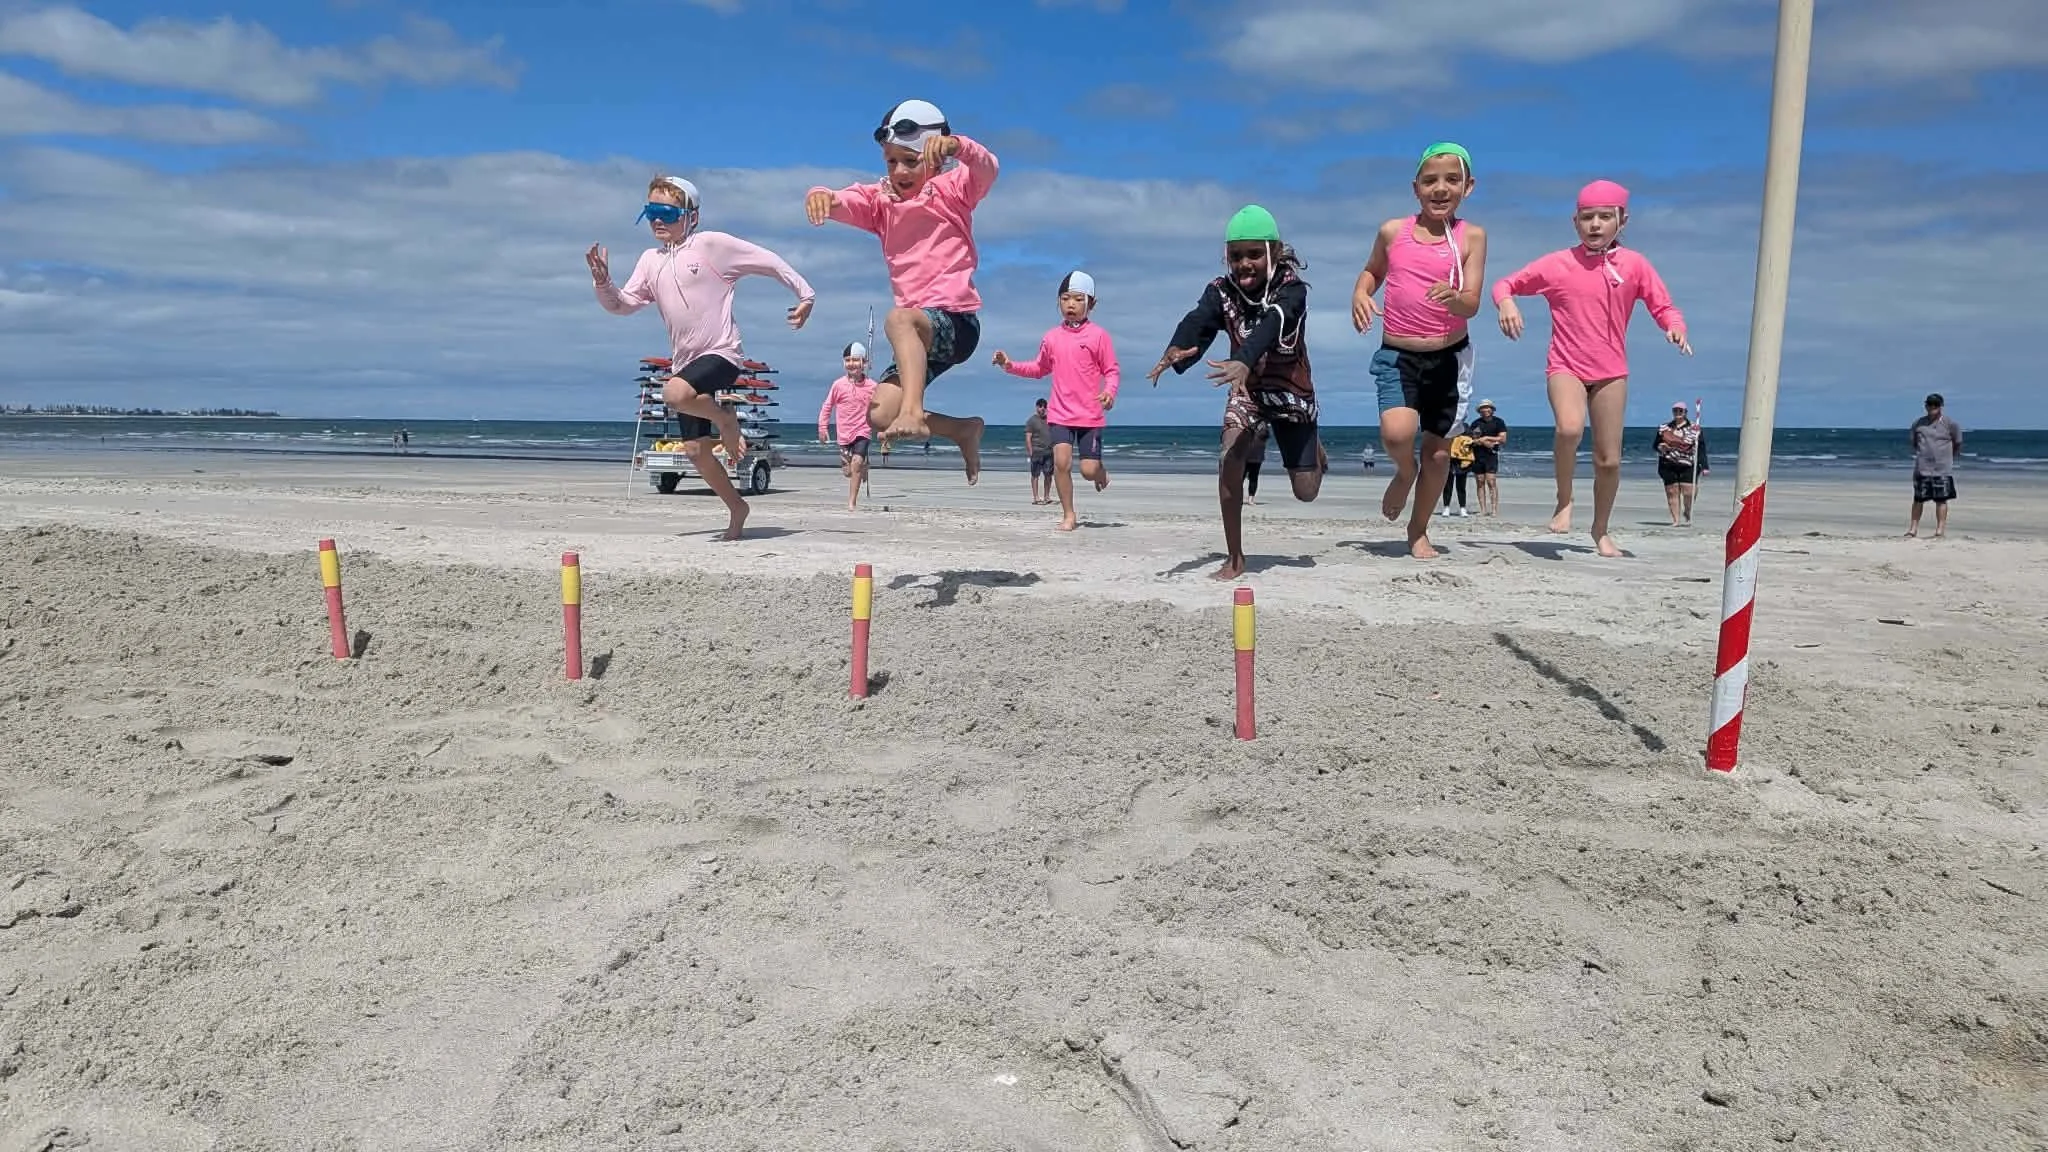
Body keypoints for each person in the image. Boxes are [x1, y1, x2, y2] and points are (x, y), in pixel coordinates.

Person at [589, 175, 814, 541]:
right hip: (686, 366)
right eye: (650, 212)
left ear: (691, 215)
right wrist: (603, 283)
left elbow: (768, 261)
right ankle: (737, 507)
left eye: (666, 211)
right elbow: (622, 305)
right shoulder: (649, 261)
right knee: (695, 451)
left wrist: (806, 294)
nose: (657, 220)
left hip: (722, 354)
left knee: (674, 393)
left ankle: (726, 418)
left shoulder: (711, 246)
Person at [1493, 179, 1691, 557]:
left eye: (1604, 217)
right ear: (1575, 221)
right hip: (1565, 364)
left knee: (1609, 459)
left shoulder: (1634, 265)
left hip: (1612, 371)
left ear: (1622, 220)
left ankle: (1600, 530)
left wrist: (1674, 327)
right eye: (1587, 217)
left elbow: (1662, 305)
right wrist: (1507, 303)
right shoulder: (1557, 264)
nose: (1595, 225)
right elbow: (1505, 284)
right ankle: (1564, 499)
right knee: (1568, 428)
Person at [805, 99, 994, 481]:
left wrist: (960, 146)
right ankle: (963, 430)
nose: (900, 170)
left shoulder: (954, 189)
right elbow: (845, 199)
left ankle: (914, 411)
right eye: (891, 161)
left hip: (957, 324)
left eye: (910, 160)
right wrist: (822, 194)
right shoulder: (881, 201)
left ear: (936, 159)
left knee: (899, 318)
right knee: (878, 414)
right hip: (919, 341)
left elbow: (987, 167)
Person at [1149, 204, 1327, 581]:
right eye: (1235, 256)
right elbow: (1198, 319)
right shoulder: (1220, 291)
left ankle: (1315, 451)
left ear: (1272, 253)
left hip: (1291, 391)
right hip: (1246, 389)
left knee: (1306, 491)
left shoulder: (1291, 289)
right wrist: (1176, 348)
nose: (1244, 264)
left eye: (1252, 255)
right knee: (1229, 456)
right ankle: (1235, 556)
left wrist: (1245, 357)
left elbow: (1273, 323)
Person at [1351, 142, 1489, 559]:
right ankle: (1402, 470)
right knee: (1396, 434)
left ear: (1468, 186)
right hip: (1398, 354)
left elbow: (1473, 303)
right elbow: (1373, 271)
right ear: (1416, 188)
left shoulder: (1473, 237)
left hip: (1450, 359)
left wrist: (1455, 299)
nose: (1441, 188)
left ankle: (1418, 529)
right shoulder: (1393, 231)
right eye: (1430, 181)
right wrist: (1360, 292)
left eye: (1452, 180)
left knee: (1439, 454)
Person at [993, 270, 1120, 531]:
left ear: (1091, 303)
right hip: (1060, 413)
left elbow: (1112, 370)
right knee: (1061, 464)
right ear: (1058, 302)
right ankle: (1069, 514)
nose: (1070, 305)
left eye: (1077, 299)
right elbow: (1039, 368)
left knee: (1088, 470)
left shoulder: (1099, 336)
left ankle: (1101, 473)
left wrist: (1110, 392)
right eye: (1065, 299)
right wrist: (1009, 365)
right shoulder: (1051, 337)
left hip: (1090, 415)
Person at [818, 342, 878, 511]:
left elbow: (881, 410)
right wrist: (822, 427)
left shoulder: (873, 386)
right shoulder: (838, 385)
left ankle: (852, 502)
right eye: (847, 360)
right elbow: (827, 406)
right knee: (848, 471)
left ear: (864, 363)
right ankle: (862, 466)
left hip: (863, 430)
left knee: (856, 463)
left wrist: (885, 430)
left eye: (855, 360)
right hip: (844, 434)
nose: (851, 363)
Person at [1909, 392, 1963, 538]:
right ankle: (1913, 529)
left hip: (1942, 469)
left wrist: (1947, 457)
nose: (1932, 407)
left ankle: (1940, 531)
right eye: (1930, 404)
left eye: (1936, 404)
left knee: (1941, 499)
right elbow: (1914, 442)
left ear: (1941, 406)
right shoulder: (1918, 423)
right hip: (1922, 468)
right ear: (1925, 405)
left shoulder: (1950, 424)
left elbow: (1957, 442)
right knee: (1918, 499)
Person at [1653, 401, 1708, 525]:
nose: (1678, 413)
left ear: (1685, 413)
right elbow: (1655, 445)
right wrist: (1660, 446)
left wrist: (1704, 466)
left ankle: (1687, 511)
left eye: (1680, 411)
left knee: (1689, 491)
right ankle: (1676, 520)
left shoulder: (1694, 428)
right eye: (1675, 411)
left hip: (1688, 464)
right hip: (1668, 463)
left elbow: (1701, 447)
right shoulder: (1664, 428)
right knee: (1672, 491)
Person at [1466, 399, 1507, 515]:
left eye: (1487, 407)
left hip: (1491, 455)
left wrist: (1486, 438)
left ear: (1492, 409)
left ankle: (1494, 510)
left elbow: (1503, 439)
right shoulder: (1476, 423)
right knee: (1480, 481)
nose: (1485, 410)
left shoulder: (1499, 422)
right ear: (1479, 411)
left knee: (1491, 481)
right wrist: (1481, 441)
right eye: (1483, 408)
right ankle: (1483, 510)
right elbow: (1472, 439)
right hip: (1477, 455)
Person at [1024, 398, 1054, 505]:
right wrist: (1031, 452)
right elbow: (1028, 437)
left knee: (1048, 475)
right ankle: (1036, 497)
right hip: (1037, 451)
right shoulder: (1031, 421)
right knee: (1035, 475)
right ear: (1037, 407)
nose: (1042, 409)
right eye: (1040, 406)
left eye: (1044, 407)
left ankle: (1046, 496)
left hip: (1049, 451)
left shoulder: (1049, 419)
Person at [1442, 421, 1474, 517]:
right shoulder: (1447, 425)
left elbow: (1470, 441)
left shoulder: (1465, 426)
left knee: (1461, 486)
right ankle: (1446, 507)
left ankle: (1462, 508)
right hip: (1448, 459)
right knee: (1448, 485)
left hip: (1462, 460)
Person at [1244, 423, 1270, 504]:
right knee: (1242, 478)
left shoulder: (1264, 431)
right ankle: (1241, 498)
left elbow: (1265, 435)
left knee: (1253, 478)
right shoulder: (1249, 428)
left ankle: (1250, 499)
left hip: (1256, 457)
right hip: (1246, 456)